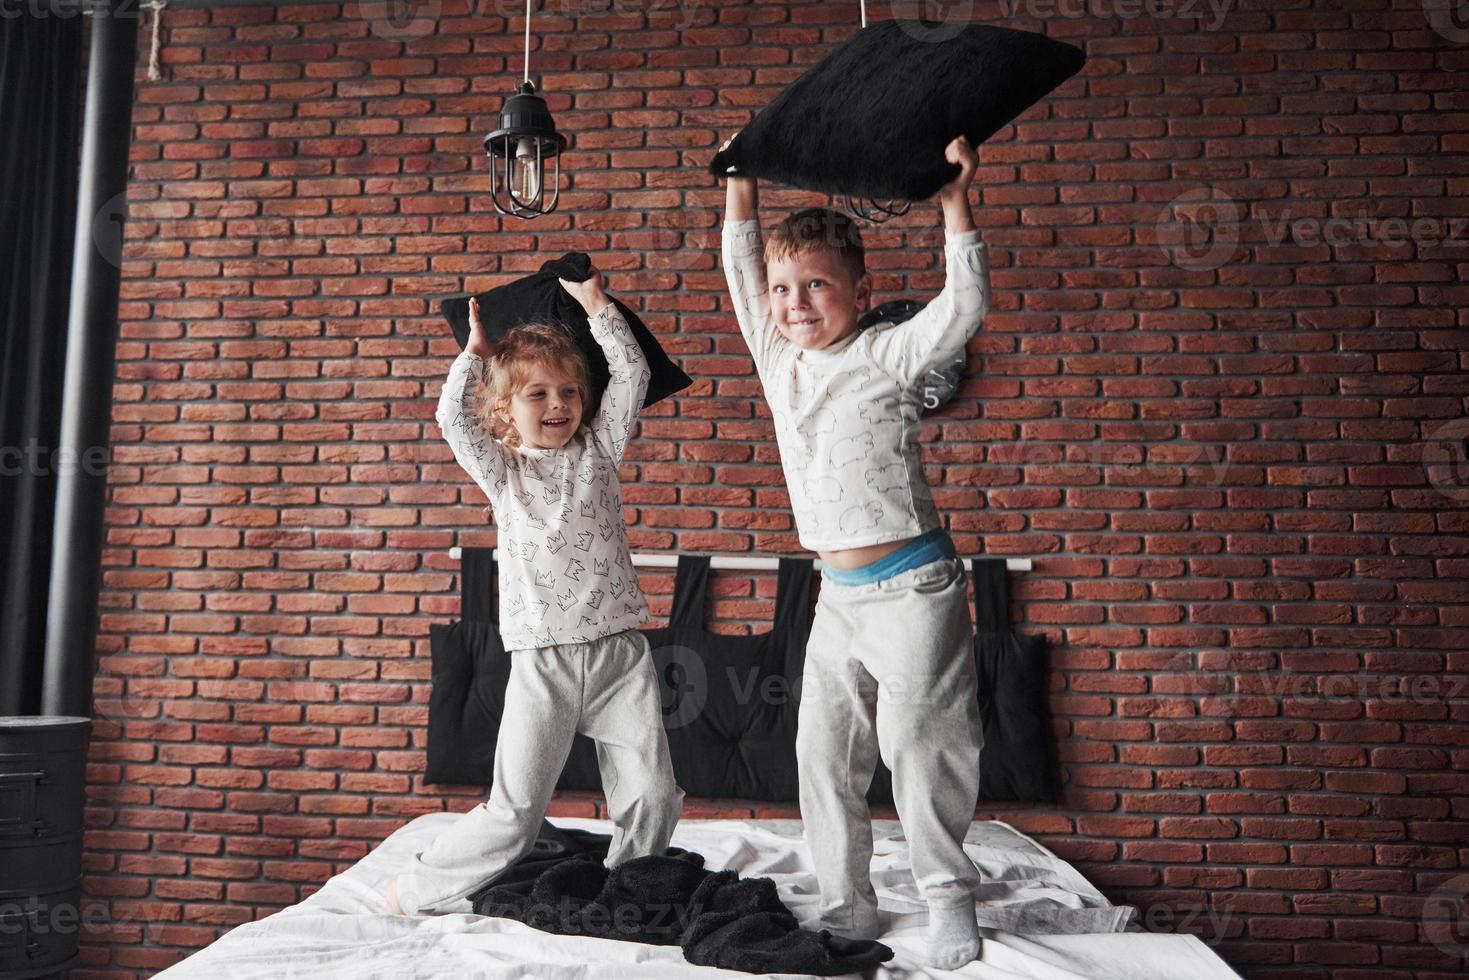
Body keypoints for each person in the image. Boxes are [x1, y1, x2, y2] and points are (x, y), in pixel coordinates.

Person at [720, 134, 991, 970]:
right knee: (822, 753)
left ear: (859, 292)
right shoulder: (777, 358)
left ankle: (949, 901)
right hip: (836, 599)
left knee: (920, 746)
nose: (795, 303)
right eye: (782, 289)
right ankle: (846, 904)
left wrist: (953, 205)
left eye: (815, 286)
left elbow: (962, 307)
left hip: (914, 589)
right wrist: (739, 187)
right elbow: (738, 269)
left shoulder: (887, 353)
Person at [386, 269, 683, 915]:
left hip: (617, 655)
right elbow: (449, 419)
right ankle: (415, 887)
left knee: (653, 794)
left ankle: (629, 888)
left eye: (569, 392)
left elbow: (629, 376)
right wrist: (474, 354)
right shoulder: (504, 474)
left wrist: (599, 308)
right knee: (516, 810)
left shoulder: (600, 452)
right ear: (505, 410)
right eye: (538, 394)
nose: (558, 404)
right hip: (543, 659)